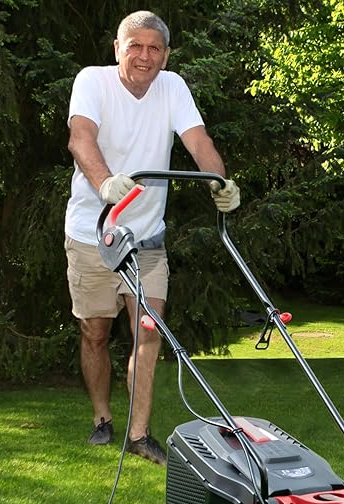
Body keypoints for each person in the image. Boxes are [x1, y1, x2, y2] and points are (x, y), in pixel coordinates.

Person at [64, 10, 239, 464]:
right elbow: (81, 139)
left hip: (146, 240)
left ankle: (139, 434)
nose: (145, 56)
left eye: (154, 48)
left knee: (149, 334)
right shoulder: (93, 81)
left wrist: (220, 183)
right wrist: (105, 183)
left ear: (166, 54)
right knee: (95, 332)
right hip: (92, 234)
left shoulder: (172, 87)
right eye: (135, 46)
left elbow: (199, 143)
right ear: (117, 49)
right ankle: (102, 417)